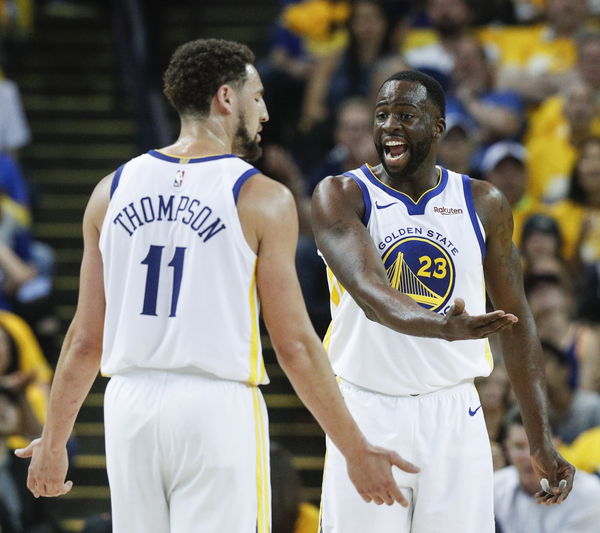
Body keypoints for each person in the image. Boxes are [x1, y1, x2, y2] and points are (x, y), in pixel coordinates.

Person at [13, 38, 420, 533]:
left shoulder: (109, 190)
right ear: (226, 99)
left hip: (129, 409)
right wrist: (354, 447)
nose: (265, 112)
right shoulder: (261, 197)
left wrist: (54, 443)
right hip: (214, 407)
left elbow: (84, 339)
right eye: (258, 97)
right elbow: (293, 343)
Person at [311, 70, 574, 533]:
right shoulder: (341, 194)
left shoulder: (483, 202)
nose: (389, 125)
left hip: (455, 414)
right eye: (381, 115)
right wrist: (443, 327)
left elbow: (517, 322)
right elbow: (373, 296)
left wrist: (540, 441)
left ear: (437, 127)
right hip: (368, 409)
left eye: (405, 115)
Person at [495, 409, 600, 533]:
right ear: (506, 449)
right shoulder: (493, 486)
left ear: (558, 445)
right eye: (519, 446)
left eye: (540, 447)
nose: (531, 457)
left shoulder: (589, 493)